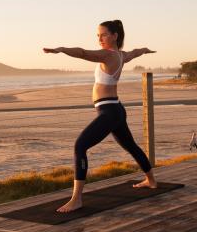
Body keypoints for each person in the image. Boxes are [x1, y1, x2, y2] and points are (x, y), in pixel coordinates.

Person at [43, 19, 157, 213]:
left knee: (80, 146)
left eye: (103, 35)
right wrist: (145, 50)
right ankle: (151, 180)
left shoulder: (108, 55)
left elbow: (82, 53)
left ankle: (77, 199)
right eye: (98, 35)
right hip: (116, 109)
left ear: (115, 36)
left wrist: (61, 49)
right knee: (130, 146)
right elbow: (136, 52)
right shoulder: (122, 55)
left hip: (109, 111)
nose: (100, 39)